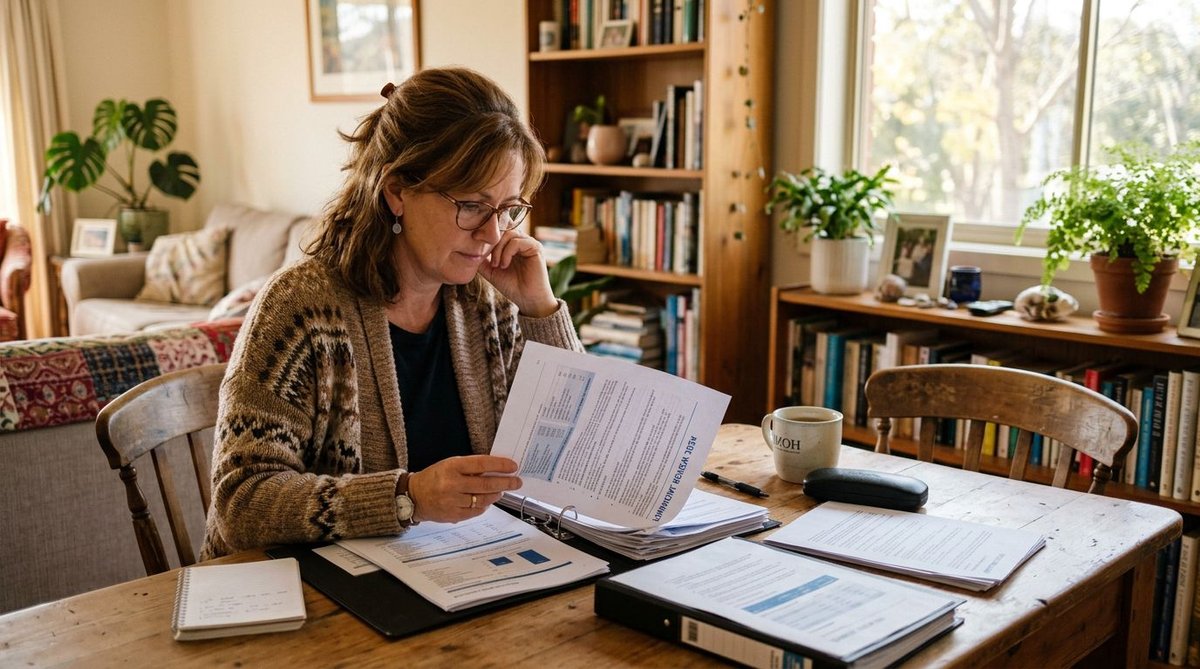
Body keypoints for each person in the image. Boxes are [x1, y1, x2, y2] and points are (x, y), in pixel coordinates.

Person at [200, 67, 584, 559]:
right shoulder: (300, 309)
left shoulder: (488, 301)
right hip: (301, 590)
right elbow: (241, 505)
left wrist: (540, 309)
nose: (493, 234)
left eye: (508, 208)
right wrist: (407, 498)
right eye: (472, 205)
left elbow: (579, 454)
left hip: (455, 571)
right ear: (397, 191)